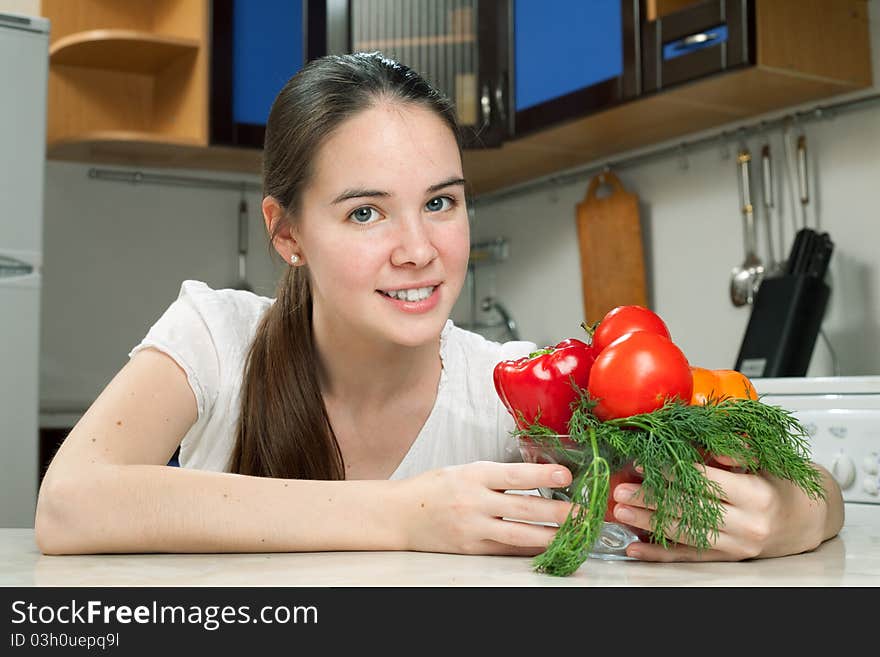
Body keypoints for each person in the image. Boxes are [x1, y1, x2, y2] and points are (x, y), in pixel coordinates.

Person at [34, 52, 843, 564]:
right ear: (287, 234)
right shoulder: (215, 337)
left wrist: (792, 518)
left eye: (442, 202)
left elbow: (819, 490)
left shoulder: (517, 388)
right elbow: (69, 503)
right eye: (364, 212)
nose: (418, 248)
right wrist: (403, 514)